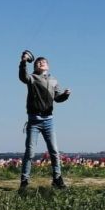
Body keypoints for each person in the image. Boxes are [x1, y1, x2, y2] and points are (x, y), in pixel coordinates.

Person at [18, 51, 71, 190]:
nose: (41, 63)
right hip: (34, 121)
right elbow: (22, 77)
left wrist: (65, 95)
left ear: (48, 66)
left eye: (44, 62)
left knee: (54, 151)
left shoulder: (54, 80)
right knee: (30, 152)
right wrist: (23, 62)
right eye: (38, 62)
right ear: (34, 66)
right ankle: (24, 181)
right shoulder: (32, 78)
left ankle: (57, 179)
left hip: (49, 121)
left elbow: (58, 98)